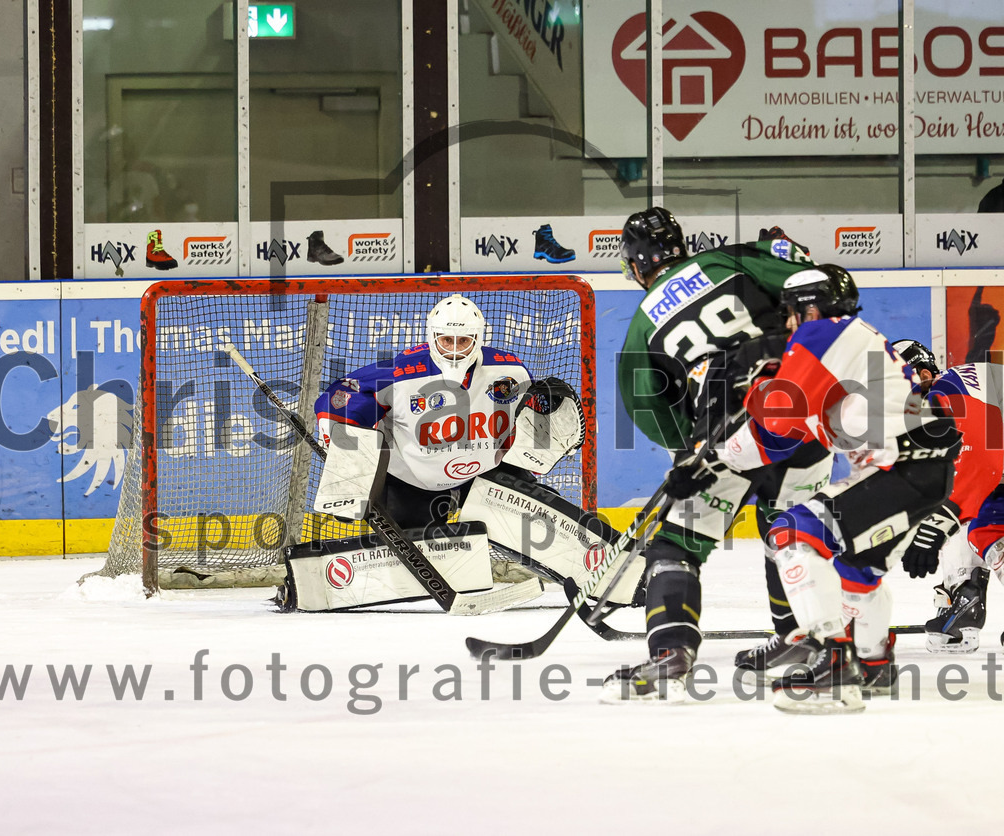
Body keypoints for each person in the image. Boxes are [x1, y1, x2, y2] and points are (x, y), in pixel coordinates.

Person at [699, 266, 960, 712]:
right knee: (858, 569)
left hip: (901, 465)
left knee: (792, 534)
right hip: (920, 467)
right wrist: (715, 460)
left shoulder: (822, 333)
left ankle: (833, 659)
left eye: (791, 314)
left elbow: (777, 414)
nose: (787, 324)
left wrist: (753, 385)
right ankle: (874, 664)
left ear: (812, 309)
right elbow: (781, 436)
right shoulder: (843, 350)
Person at [601, 208, 832, 704]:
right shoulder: (731, 259)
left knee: (676, 546)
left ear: (638, 265)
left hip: (726, 435)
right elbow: (812, 286)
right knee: (792, 531)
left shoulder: (643, 325)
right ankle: (806, 642)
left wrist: (693, 450)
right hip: (800, 411)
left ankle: (671, 654)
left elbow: (650, 409)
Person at [294, 293, 596, 612]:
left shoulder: (509, 371)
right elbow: (342, 395)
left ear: (478, 338)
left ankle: (597, 569)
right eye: (446, 340)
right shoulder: (401, 372)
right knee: (409, 563)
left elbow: (531, 414)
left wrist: (545, 426)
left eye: (464, 341)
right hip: (412, 480)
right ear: (431, 337)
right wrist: (338, 430)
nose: (454, 349)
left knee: (539, 528)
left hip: (485, 473)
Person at [891, 342, 1004, 653]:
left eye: (895, 381)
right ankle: (964, 600)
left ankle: (965, 598)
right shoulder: (951, 395)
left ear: (924, 375)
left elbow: (984, 460)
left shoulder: (948, 392)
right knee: (981, 521)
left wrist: (937, 524)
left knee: (981, 522)